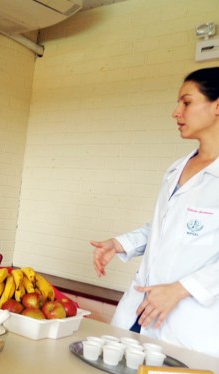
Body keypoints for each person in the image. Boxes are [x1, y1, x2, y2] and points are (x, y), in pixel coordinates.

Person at [91, 67, 219, 358]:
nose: (176, 112)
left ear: (217, 106)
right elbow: (166, 230)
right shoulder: (177, 168)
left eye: (186, 102)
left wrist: (180, 289)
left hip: (190, 324)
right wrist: (121, 243)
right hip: (138, 313)